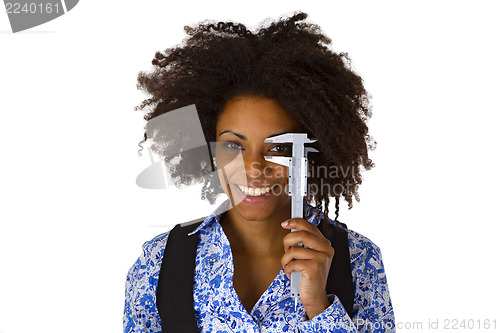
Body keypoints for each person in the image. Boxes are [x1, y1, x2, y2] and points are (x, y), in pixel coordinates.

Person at [124, 11, 395, 333]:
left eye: (278, 148)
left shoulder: (358, 260)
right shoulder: (159, 262)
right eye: (234, 145)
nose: (253, 168)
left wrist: (319, 307)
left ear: (312, 152)